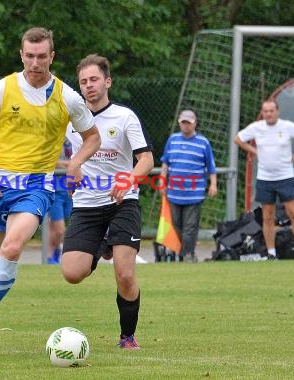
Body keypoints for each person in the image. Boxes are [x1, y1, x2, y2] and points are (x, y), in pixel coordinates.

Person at [0, 27, 101, 353]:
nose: (35, 62)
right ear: (22, 55)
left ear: (52, 56)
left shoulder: (67, 97)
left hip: (36, 184)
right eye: (30, 55)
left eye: (42, 56)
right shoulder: (1, 89)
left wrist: (75, 163)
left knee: (13, 245)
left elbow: (92, 136)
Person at [61, 54, 154, 350]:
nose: (89, 86)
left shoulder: (125, 117)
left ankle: (127, 336)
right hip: (86, 205)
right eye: (83, 82)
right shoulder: (71, 120)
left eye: (94, 79)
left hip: (122, 202)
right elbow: (58, 155)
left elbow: (146, 159)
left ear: (107, 82)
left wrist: (129, 180)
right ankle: (103, 244)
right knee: (72, 273)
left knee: (125, 275)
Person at [234, 100, 294, 260]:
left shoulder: (287, 126)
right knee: (268, 216)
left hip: (285, 177)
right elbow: (238, 139)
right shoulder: (256, 127)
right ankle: (271, 253)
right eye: (265, 111)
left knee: (293, 213)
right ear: (262, 113)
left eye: (271, 111)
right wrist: (254, 151)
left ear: (277, 111)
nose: (269, 114)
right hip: (265, 178)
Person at [160, 109, 217, 263]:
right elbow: (165, 162)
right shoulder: (172, 140)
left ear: (195, 124)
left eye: (189, 123)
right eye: (183, 123)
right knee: (176, 225)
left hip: (195, 193)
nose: (186, 126)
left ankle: (188, 254)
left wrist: (213, 184)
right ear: (179, 123)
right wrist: (162, 179)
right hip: (174, 193)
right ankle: (180, 252)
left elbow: (211, 166)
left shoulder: (203, 142)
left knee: (190, 227)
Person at [46, 139, 73, 264]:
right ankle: (54, 253)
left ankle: (51, 254)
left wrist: (69, 164)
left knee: (54, 228)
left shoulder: (75, 139)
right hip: (54, 189)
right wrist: (71, 165)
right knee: (59, 229)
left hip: (71, 188)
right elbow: (51, 162)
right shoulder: (52, 138)